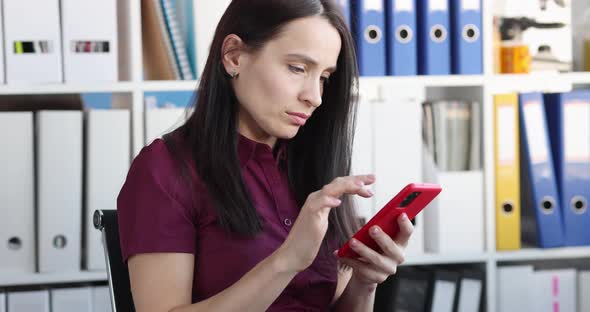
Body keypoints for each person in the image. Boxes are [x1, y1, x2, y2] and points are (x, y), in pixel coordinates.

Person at [117, 0, 414, 311]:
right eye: (298, 68)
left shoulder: (315, 168)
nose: (314, 97)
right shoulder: (165, 169)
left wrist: (364, 282)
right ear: (234, 56)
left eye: (324, 78)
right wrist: (287, 261)